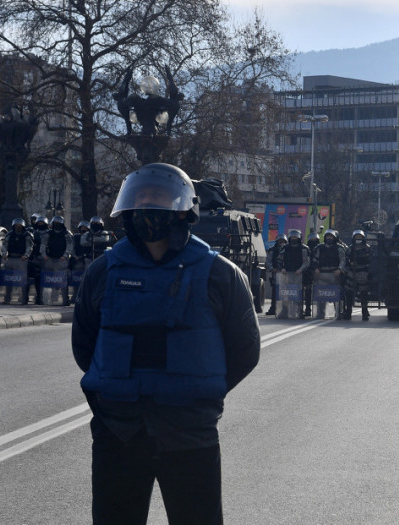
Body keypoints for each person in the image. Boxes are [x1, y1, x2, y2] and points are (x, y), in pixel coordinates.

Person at [71, 162, 260, 524]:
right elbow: (85, 345)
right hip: (119, 431)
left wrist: (198, 391)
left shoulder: (220, 272)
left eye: (158, 198)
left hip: (190, 433)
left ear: (182, 208)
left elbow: (245, 350)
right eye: (141, 198)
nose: (148, 207)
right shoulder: (103, 271)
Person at [312, 229, 346, 320]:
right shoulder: (319, 248)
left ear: (335, 238)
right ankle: (320, 313)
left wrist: (339, 269)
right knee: (321, 294)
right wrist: (316, 269)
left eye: (331, 236)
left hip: (335, 275)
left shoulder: (339, 248)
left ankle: (338, 312)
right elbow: (314, 259)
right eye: (327, 236)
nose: (329, 238)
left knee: (337, 295)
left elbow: (343, 260)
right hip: (322, 275)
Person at [39, 215, 73, 306]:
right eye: (55, 223)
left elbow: (70, 246)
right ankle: (46, 300)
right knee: (48, 280)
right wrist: (44, 255)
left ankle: (64, 300)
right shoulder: (48, 234)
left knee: (62, 281)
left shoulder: (66, 234)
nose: (56, 225)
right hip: (50, 259)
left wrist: (65, 255)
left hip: (62, 260)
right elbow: (42, 245)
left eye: (58, 223)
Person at [0, 218, 33, 304]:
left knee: (22, 280)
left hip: (21, 260)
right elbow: (4, 245)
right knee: (8, 279)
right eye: (16, 225)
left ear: (23, 226)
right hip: (10, 258)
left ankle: (23, 298)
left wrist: (26, 255)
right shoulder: (9, 235)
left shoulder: (26, 235)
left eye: (19, 225)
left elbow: (29, 246)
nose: (18, 227)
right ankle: (7, 298)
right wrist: (4, 253)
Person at [277, 229, 309, 319]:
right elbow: (279, 260)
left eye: (295, 237)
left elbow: (306, 262)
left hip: (298, 274)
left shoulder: (304, 248)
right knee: (285, 293)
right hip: (286, 273)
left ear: (299, 238)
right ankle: (284, 311)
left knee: (298, 292)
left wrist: (300, 270)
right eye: (292, 237)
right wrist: (282, 268)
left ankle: (299, 310)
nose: (294, 238)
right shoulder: (285, 248)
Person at [342, 229, 374, 321]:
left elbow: (370, 259)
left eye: (360, 237)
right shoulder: (350, 248)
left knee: (364, 293)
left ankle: (364, 312)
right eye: (356, 237)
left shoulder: (367, 248)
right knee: (349, 292)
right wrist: (350, 264)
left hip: (363, 272)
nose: (358, 238)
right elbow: (346, 259)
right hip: (351, 272)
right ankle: (348, 311)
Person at [264, 233, 287, 316]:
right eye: (280, 241)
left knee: (285, 293)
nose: (281, 243)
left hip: (286, 274)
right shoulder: (272, 250)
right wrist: (272, 269)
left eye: (283, 241)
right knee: (275, 292)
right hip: (275, 273)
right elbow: (268, 261)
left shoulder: (288, 249)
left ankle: (284, 310)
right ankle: (273, 308)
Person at [28, 214, 49, 305]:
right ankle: (39, 296)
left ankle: (46, 297)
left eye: (42, 223)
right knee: (37, 278)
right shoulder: (34, 233)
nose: (40, 225)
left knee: (47, 278)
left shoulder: (50, 233)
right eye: (39, 223)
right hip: (37, 258)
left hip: (47, 258)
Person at [70, 220, 91, 302]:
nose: (83, 229)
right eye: (82, 228)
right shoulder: (76, 237)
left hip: (87, 259)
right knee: (76, 279)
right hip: (77, 260)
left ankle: (85, 297)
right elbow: (72, 248)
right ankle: (75, 296)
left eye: (85, 228)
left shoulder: (90, 236)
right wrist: (75, 256)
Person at [304, 232, 320, 317]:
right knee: (308, 290)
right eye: (312, 240)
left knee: (321, 291)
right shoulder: (306, 249)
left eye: (315, 240)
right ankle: (307, 308)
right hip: (308, 272)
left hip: (319, 272)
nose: (313, 241)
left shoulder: (320, 248)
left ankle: (321, 309)